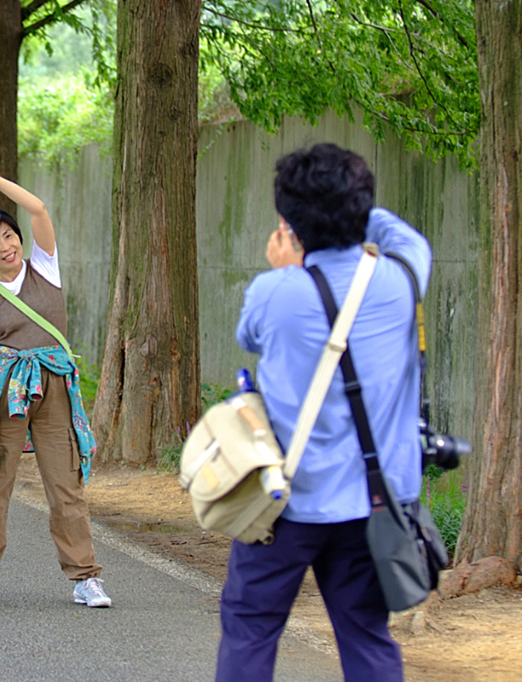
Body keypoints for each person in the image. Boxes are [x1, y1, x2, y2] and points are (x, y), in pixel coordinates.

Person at [216, 143, 432, 681]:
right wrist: (347, 209)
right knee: (366, 634)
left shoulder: (274, 290)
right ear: (363, 208)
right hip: (376, 504)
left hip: (283, 502)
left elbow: (248, 336)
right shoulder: (405, 276)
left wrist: (294, 260)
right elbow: (399, 234)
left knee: (251, 627)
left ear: (289, 222)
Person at [0, 157, 111, 608]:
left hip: (54, 387)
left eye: (8, 236)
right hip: (6, 393)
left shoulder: (46, 269)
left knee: (66, 485)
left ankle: (85, 576)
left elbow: (38, 209)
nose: (5, 246)